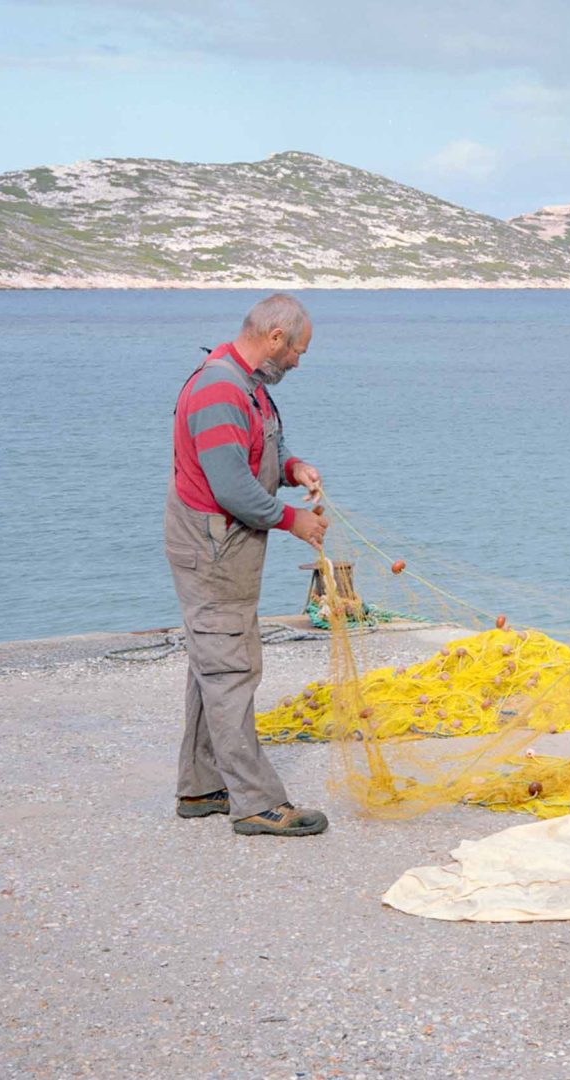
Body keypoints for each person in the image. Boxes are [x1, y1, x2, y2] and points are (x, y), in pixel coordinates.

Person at [166, 292, 332, 837]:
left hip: (223, 545)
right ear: (275, 338)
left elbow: (251, 456)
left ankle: (201, 786)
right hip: (213, 546)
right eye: (298, 351)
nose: (297, 363)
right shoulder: (219, 389)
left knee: (211, 661)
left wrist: (292, 466)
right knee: (232, 668)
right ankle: (256, 802)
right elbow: (231, 485)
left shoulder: (245, 386)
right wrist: (293, 521)